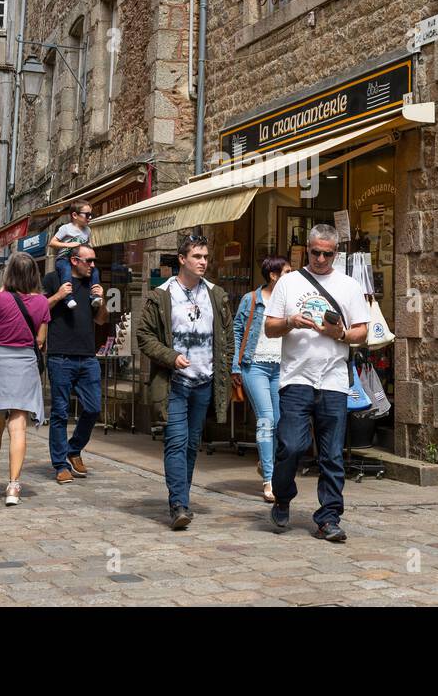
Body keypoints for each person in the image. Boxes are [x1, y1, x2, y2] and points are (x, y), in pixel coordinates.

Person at [264, 224, 369, 542]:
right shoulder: (289, 283)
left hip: (334, 380)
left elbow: (362, 332)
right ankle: (283, 496)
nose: (321, 258)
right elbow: (269, 328)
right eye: (315, 252)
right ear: (306, 250)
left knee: (332, 454)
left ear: (336, 254)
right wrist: (290, 322)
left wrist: (340, 334)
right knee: (291, 446)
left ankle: (329, 517)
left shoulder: (348, 286)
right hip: (296, 377)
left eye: (328, 253)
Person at [136, 233, 232, 530]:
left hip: (205, 381)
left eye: (205, 257)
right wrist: (170, 356)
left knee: (192, 445)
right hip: (175, 382)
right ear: (182, 259)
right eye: (197, 257)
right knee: (176, 442)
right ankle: (178, 504)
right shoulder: (162, 295)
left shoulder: (216, 294)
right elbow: (144, 336)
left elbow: (226, 336)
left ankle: (183, 499)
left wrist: (225, 370)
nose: (203, 262)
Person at [0, 252, 49, 506]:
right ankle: (14, 486)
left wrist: (2, 296)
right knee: (18, 426)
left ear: (10, 274)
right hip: (25, 364)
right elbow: (40, 340)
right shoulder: (42, 303)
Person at [42, 244, 108, 485]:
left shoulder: (94, 285)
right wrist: (59, 296)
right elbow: (39, 310)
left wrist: (101, 300)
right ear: (73, 260)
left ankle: (74, 448)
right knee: (60, 412)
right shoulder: (53, 279)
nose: (93, 265)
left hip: (88, 357)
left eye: (94, 261)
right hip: (60, 356)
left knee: (92, 408)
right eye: (88, 261)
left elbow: (101, 321)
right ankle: (60, 464)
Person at [232, 256, 291, 503]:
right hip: (254, 366)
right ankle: (269, 478)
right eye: (287, 271)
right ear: (273, 275)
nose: (292, 274)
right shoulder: (252, 299)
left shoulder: (290, 301)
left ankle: (264, 462)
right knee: (266, 420)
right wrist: (235, 365)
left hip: (282, 367)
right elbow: (237, 329)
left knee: (280, 423)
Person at [48, 200, 102, 309]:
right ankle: (68, 298)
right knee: (66, 271)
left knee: (95, 271)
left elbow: (87, 245)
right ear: (75, 215)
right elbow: (52, 243)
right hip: (63, 259)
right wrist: (69, 245)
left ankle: (95, 295)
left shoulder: (88, 230)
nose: (90, 218)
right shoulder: (66, 228)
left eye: (91, 215)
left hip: (78, 261)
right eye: (87, 215)